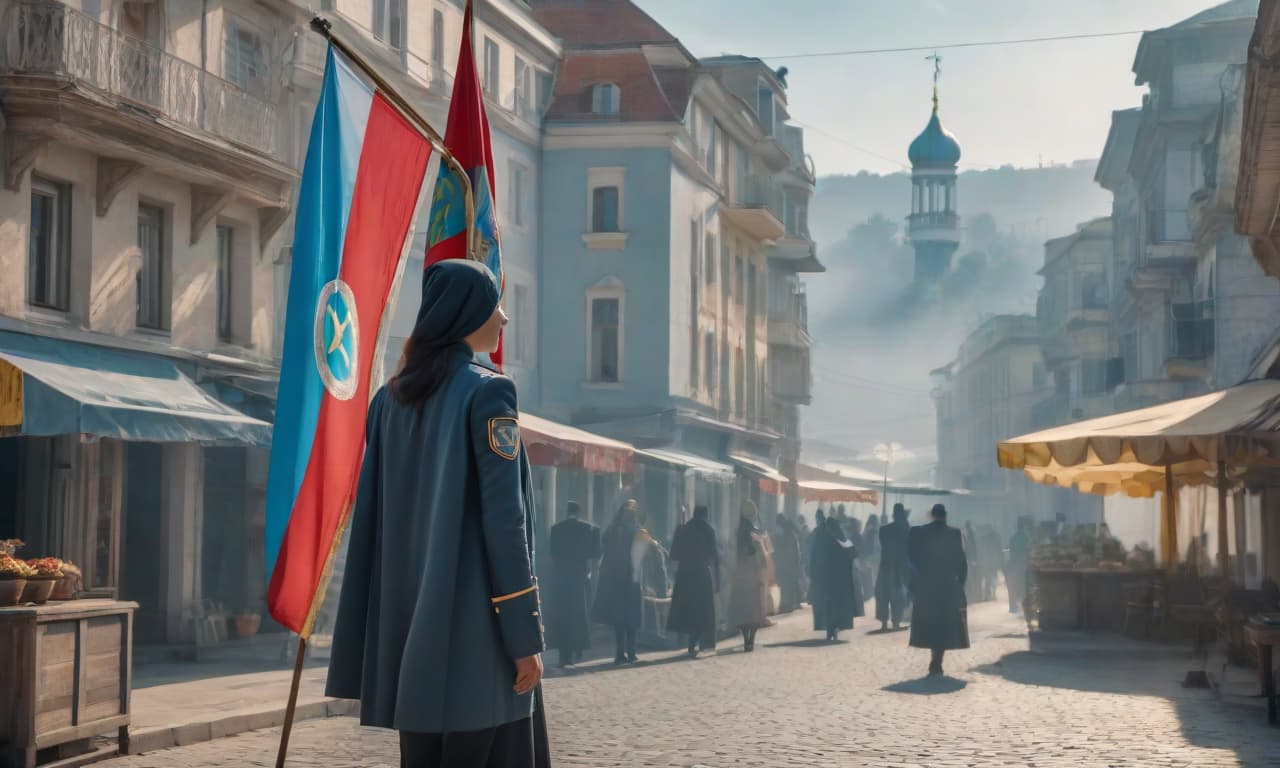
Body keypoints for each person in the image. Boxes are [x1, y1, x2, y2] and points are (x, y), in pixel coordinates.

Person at [326, 260, 549, 768]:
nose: (505, 319)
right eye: (496, 303)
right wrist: (523, 638)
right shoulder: (489, 391)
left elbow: (381, 525)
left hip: (412, 643)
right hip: (480, 645)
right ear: (469, 311)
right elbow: (505, 524)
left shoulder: (388, 399)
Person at [908, 504, 970, 677]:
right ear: (945, 516)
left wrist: (914, 582)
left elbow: (911, 559)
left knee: (930, 623)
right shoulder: (954, 534)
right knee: (944, 624)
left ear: (932, 515)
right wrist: (960, 585)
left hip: (926, 585)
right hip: (947, 586)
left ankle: (935, 660)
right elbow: (961, 563)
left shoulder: (918, 533)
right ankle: (937, 661)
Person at [547, 501, 601, 667]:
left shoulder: (556, 529)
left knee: (562, 615)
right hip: (579, 576)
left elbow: (552, 553)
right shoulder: (587, 528)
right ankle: (576, 649)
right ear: (578, 512)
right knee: (578, 614)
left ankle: (564, 654)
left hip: (561, 578)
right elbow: (596, 552)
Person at [593, 500, 644, 664]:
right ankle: (630, 652)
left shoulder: (611, 530)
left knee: (620, 619)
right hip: (630, 579)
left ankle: (621, 652)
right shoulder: (634, 530)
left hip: (617, 581)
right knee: (630, 617)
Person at [666, 505, 720, 657]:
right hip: (702, 573)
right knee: (703, 611)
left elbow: (674, 555)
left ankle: (690, 641)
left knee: (688, 609)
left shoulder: (682, 530)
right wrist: (718, 580)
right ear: (705, 515)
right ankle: (698, 641)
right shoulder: (709, 530)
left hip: (685, 574)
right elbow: (715, 556)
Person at [727, 500, 773, 652]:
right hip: (752, 576)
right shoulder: (754, 535)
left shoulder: (737, 532)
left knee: (742, 610)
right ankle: (750, 641)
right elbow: (761, 557)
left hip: (740, 576)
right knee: (753, 612)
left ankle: (746, 639)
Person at [810, 515, 858, 641]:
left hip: (826, 580)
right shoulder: (841, 539)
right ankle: (835, 628)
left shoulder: (822, 540)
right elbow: (853, 553)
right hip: (840, 581)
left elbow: (815, 558)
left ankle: (829, 630)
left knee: (828, 605)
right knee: (838, 605)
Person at [876, 503, 911, 631]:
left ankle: (884, 622)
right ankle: (895, 621)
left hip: (886, 565)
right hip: (899, 566)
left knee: (883, 595)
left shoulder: (884, 530)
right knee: (898, 596)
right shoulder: (905, 529)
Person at [773, 516, 804, 613]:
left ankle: (790, 603)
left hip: (790, 562)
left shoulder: (788, 534)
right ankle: (795, 602)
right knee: (792, 582)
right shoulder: (791, 535)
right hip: (792, 561)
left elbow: (786, 550)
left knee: (789, 583)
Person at [1006, 516, 1031, 615]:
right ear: (1024, 526)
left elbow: (1012, 551)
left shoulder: (1013, 537)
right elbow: (1025, 552)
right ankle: (1024, 607)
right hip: (1021, 565)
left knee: (1012, 587)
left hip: (1013, 564)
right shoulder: (1025, 537)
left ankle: (1012, 606)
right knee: (1022, 587)